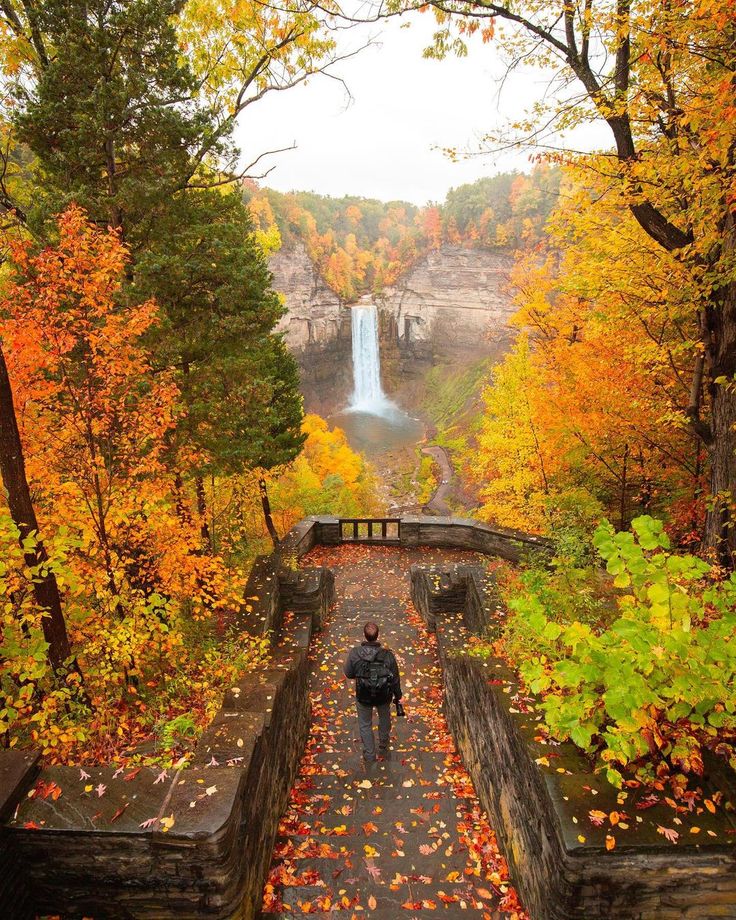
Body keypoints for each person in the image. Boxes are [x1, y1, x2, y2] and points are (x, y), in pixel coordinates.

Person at [343, 621, 403, 762]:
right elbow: (395, 678)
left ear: (364, 635)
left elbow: (349, 674)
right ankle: (383, 743)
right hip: (383, 695)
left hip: (363, 694)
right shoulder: (388, 655)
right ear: (378, 636)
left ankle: (369, 754)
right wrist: (398, 696)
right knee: (384, 717)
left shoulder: (354, 653)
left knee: (364, 723)